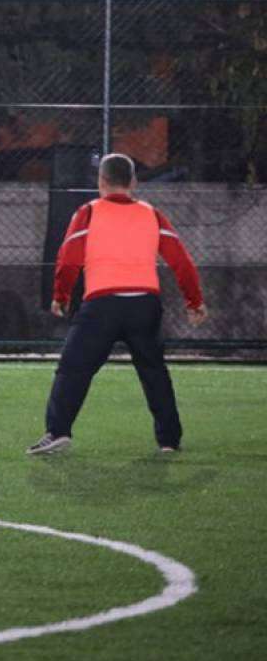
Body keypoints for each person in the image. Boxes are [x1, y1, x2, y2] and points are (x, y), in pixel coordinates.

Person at [27, 153, 209, 456]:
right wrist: (195, 301)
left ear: (101, 181)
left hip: (102, 306)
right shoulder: (152, 214)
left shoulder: (88, 212)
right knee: (154, 371)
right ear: (133, 182)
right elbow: (181, 261)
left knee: (73, 367)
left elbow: (68, 259)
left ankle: (57, 432)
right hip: (145, 306)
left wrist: (61, 296)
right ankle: (169, 440)